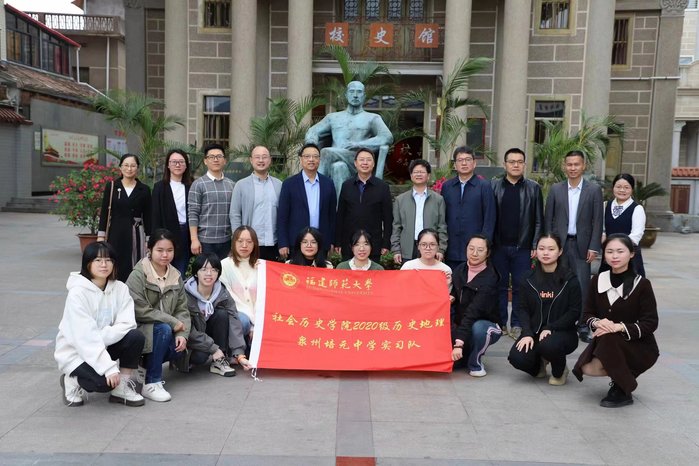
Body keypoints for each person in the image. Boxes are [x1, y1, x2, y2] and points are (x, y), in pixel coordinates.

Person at [572, 233, 659, 408]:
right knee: (587, 368)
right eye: (610, 251)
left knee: (609, 339)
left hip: (638, 345)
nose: (615, 256)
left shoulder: (642, 284)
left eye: (620, 251)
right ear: (604, 254)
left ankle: (622, 387)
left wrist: (619, 327)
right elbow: (587, 314)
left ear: (631, 254)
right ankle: (623, 379)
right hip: (607, 342)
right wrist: (598, 323)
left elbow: (651, 322)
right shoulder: (598, 280)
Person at [54, 242, 145, 407]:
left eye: (108, 260)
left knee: (135, 337)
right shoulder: (77, 293)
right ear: (87, 263)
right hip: (76, 353)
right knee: (103, 384)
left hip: (103, 346)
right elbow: (84, 338)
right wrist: (109, 368)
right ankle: (71, 379)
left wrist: (100, 337)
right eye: (98, 260)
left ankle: (122, 388)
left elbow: (128, 324)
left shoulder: (120, 288)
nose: (104, 264)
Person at [544, 150, 603, 343]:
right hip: (559, 245)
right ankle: (558, 323)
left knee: (582, 286)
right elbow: (548, 218)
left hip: (582, 246)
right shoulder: (556, 189)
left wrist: (594, 246)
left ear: (583, 166)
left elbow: (597, 221)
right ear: (564, 166)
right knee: (558, 284)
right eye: (569, 164)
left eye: (576, 164)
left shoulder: (593, 190)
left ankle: (583, 326)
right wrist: (548, 245)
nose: (573, 168)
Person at [126, 229, 191, 402]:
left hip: (166, 329)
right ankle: (151, 382)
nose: (165, 255)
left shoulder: (175, 275)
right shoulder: (138, 275)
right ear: (149, 249)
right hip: (139, 329)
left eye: (169, 250)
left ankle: (145, 365)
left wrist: (182, 334)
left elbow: (182, 309)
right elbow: (139, 309)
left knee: (180, 346)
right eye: (160, 250)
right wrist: (172, 322)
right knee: (163, 329)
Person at [507, 234, 580, 385]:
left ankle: (559, 371)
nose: (545, 253)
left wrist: (551, 327)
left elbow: (574, 312)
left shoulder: (570, 279)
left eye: (551, 249)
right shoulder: (528, 278)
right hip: (535, 332)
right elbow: (522, 308)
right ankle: (540, 364)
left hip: (562, 333)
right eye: (541, 248)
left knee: (549, 344)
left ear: (560, 251)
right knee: (517, 357)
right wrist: (527, 333)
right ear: (536, 251)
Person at [491, 148, 544, 340]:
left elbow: (538, 220)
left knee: (521, 287)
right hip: (498, 246)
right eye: (512, 161)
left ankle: (517, 324)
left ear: (524, 164)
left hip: (523, 247)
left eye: (519, 162)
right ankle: (500, 323)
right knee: (499, 285)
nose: (515, 165)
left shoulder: (533, 188)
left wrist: (535, 244)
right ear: (505, 164)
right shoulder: (494, 187)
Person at [305, 80, 394, 194]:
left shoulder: (372, 118)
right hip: (334, 162)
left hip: (357, 160)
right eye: (352, 92)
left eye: (359, 92)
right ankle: (338, 205)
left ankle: (313, 190)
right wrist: (311, 145)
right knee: (338, 167)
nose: (355, 95)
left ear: (364, 96)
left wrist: (358, 145)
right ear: (346, 95)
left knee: (326, 152)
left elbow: (387, 137)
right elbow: (313, 131)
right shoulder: (333, 117)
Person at [183, 253, 251, 376]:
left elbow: (234, 319)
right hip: (191, 339)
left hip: (210, 333)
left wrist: (239, 354)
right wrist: (213, 348)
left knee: (222, 314)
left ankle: (220, 360)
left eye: (214, 270)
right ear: (196, 273)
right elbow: (187, 329)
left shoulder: (222, 292)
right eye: (204, 269)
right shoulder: (185, 294)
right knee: (200, 356)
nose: (209, 274)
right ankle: (186, 361)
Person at [450, 234, 503, 377]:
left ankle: (475, 362)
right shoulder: (460, 270)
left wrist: (458, 344)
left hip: (487, 325)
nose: (474, 253)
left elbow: (473, 312)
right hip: (463, 323)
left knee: (478, 329)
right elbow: (456, 293)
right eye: (471, 248)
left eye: (480, 250)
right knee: (451, 363)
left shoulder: (490, 278)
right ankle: (466, 354)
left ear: (488, 253)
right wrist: (451, 297)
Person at [277, 143, 337, 260]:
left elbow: (332, 216)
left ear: (319, 159)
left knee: (319, 271)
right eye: (307, 156)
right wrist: (283, 242)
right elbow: (282, 216)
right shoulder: (289, 184)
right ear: (301, 159)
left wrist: (331, 241)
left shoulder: (328, 183)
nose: (311, 159)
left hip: (321, 242)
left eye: (315, 156)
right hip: (296, 242)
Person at [98, 153, 151, 282]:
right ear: (120, 168)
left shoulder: (144, 189)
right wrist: (101, 236)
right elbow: (104, 212)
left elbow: (148, 215)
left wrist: (148, 239)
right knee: (115, 262)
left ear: (137, 168)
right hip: (116, 232)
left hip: (136, 233)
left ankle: (133, 290)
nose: (129, 168)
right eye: (126, 165)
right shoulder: (112, 186)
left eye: (133, 165)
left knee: (135, 265)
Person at [441, 146, 496, 270]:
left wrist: (484, 245)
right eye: (460, 160)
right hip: (452, 248)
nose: (464, 163)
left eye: (468, 159)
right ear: (454, 165)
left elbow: (489, 218)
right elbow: (442, 217)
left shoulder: (484, 186)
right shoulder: (447, 187)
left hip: (475, 250)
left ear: (474, 163)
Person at [335, 148, 393, 262]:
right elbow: (340, 215)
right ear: (355, 163)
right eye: (361, 160)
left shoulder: (382, 187)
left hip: (373, 244)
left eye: (368, 160)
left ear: (373, 163)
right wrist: (338, 242)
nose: (365, 163)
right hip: (349, 243)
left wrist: (386, 243)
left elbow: (388, 218)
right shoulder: (346, 186)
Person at [229, 145, 282, 261]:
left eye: (264, 157)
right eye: (257, 157)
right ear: (251, 160)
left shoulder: (278, 185)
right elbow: (235, 214)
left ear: (270, 160)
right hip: (249, 244)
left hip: (273, 243)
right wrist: (238, 240)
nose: (261, 160)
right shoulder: (241, 185)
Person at [391, 159, 448, 265]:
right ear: (411, 175)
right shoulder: (400, 200)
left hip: (430, 248)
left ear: (428, 176)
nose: (418, 174)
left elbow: (442, 226)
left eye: (422, 172)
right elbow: (396, 227)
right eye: (415, 172)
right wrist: (396, 250)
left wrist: (441, 249)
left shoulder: (438, 199)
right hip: (408, 248)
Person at [188, 142, 235, 261]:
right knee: (206, 271)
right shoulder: (198, 184)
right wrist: (194, 239)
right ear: (205, 161)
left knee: (224, 272)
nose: (215, 160)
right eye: (211, 157)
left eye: (219, 156)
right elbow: (193, 213)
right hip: (205, 241)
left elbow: (235, 214)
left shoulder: (232, 185)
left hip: (226, 240)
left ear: (225, 160)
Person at [151, 149, 192, 277]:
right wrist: (156, 238)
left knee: (180, 270)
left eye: (181, 162)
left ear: (186, 165)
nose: (177, 165)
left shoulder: (192, 186)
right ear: (168, 165)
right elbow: (155, 215)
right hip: (166, 232)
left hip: (185, 232)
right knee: (163, 268)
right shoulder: (160, 187)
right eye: (174, 162)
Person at [600, 173, 646, 277]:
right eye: (618, 187)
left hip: (629, 256)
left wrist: (618, 249)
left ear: (632, 189)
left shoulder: (637, 209)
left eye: (626, 187)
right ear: (613, 188)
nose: (622, 190)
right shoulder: (605, 205)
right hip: (609, 256)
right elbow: (602, 229)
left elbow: (636, 235)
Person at [220, 226, 260, 339]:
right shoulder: (224, 265)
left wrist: (258, 321)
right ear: (234, 242)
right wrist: (253, 322)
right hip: (236, 312)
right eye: (240, 241)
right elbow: (228, 296)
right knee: (243, 321)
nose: (244, 245)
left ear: (255, 244)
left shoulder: (260, 266)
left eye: (249, 242)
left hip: (258, 314)